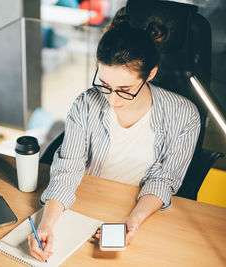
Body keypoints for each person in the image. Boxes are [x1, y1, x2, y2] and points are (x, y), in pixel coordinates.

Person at [28, 13, 201, 262]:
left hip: (139, 208)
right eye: (105, 84)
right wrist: (47, 224)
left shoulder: (184, 115)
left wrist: (135, 219)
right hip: (86, 201)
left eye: (125, 90)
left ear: (150, 74)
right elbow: (68, 168)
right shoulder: (86, 103)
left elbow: (165, 179)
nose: (112, 99)